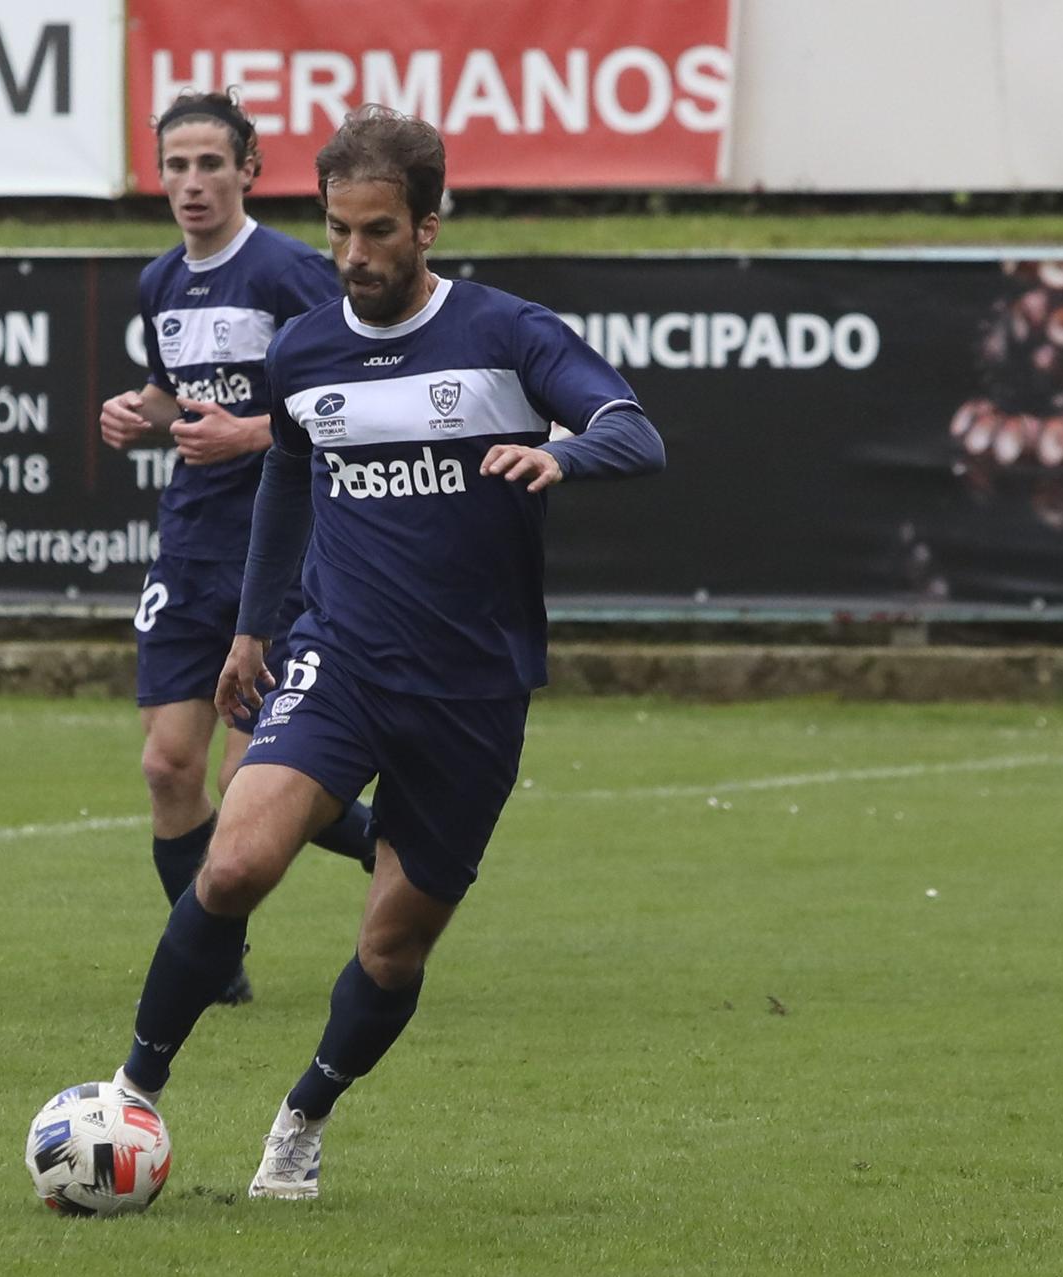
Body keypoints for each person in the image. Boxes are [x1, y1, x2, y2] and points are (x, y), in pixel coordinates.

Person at [101, 106, 666, 1198]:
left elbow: (634, 430)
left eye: (375, 232)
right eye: (336, 231)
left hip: (470, 686)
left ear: (427, 226)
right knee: (232, 861)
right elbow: (282, 474)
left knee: (391, 946)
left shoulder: (507, 332)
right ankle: (130, 1090)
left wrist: (561, 455)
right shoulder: (306, 346)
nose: (352, 256)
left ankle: (303, 1113)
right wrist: (255, 626)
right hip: (339, 653)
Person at [98, 91, 377, 1005]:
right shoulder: (159, 283)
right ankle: (217, 961)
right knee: (167, 765)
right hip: (189, 546)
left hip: (281, 548)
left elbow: (352, 400)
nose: (191, 184)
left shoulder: (292, 275)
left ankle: (388, 838)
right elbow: (177, 393)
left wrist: (252, 435)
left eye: (210, 164)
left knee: (254, 774)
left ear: (249, 169)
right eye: (174, 165)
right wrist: (145, 411)